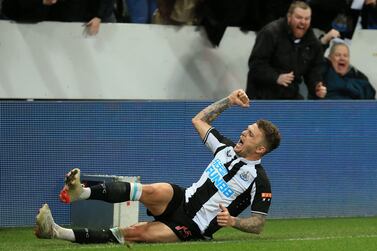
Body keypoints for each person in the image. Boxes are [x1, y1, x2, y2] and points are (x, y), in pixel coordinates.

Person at [35, 89, 281, 244]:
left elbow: (258, 224)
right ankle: (83, 192)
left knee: (136, 233)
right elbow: (199, 119)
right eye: (246, 129)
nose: (243, 133)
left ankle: (57, 232)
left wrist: (234, 222)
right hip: (181, 198)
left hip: (193, 226)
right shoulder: (225, 148)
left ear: (260, 149)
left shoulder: (259, 180)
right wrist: (228, 101)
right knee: (150, 190)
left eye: (250, 134)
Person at [246, 1, 327, 100]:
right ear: (289, 17)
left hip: (289, 94)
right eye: (299, 17)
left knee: (308, 113)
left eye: (307, 18)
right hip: (262, 94)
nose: (303, 22)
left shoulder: (312, 42)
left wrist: (316, 87)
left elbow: (314, 70)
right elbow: (255, 65)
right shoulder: (270, 33)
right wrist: (276, 77)